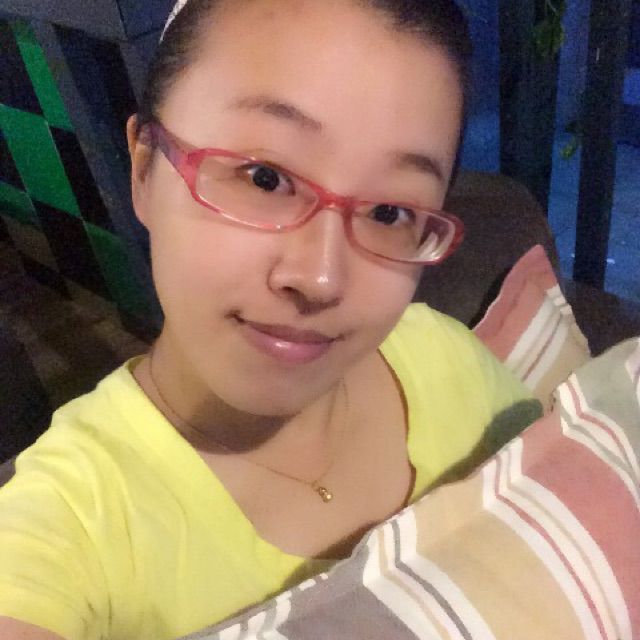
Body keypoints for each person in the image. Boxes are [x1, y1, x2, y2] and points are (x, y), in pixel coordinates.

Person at [0, 1, 541, 638]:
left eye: (390, 213)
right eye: (264, 178)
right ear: (144, 169)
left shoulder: (446, 360)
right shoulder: (72, 521)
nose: (321, 278)